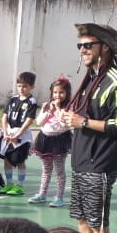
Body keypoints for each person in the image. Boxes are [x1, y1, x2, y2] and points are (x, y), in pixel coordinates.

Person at [61, 22, 117, 233]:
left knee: (98, 226)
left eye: (87, 45)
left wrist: (82, 122)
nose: (82, 50)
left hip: (100, 163)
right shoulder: (91, 79)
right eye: (80, 46)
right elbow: (85, 115)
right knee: (83, 221)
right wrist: (70, 118)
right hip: (82, 161)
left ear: (104, 47)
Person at [30, 76, 73, 207]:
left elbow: (65, 125)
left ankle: (59, 197)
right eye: (55, 92)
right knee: (46, 170)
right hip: (45, 140)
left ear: (67, 93)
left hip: (59, 141)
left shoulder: (68, 108)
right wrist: (48, 112)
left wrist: (58, 110)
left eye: (61, 92)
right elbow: (39, 122)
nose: (57, 95)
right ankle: (42, 194)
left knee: (59, 171)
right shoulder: (47, 106)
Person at [0, 72, 39, 195]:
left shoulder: (31, 101)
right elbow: (4, 116)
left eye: (25, 86)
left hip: (21, 136)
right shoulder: (13, 99)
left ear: (32, 87)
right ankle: (9, 183)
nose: (21, 89)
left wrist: (17, 135)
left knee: (20, 161)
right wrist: (5, 132)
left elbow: (29, 120)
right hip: (8, 134)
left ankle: (20, 186)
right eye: (19, 86)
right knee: (7, 159)